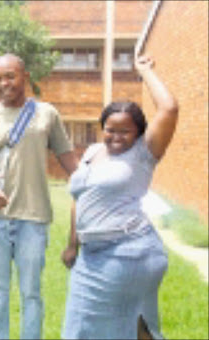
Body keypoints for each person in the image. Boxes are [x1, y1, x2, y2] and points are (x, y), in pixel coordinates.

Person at [61, 55, 178, 339]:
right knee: (81, 328)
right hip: (90, 255)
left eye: (125, 131)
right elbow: (80, 200)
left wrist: (145, 71)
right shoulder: (91, 153)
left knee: (131, 325)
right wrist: (72, 245)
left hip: (127, 253)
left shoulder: (143, 154)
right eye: (110, 130)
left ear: (139, 134)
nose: (115, 137)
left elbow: (170, 108)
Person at [0, 53, 78, 339]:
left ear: (25, 77)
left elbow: (69, 161)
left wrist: (91, 186)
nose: (4, 83)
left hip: (34, 218)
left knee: (31, 294)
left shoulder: (47, 114)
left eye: (10, 76)